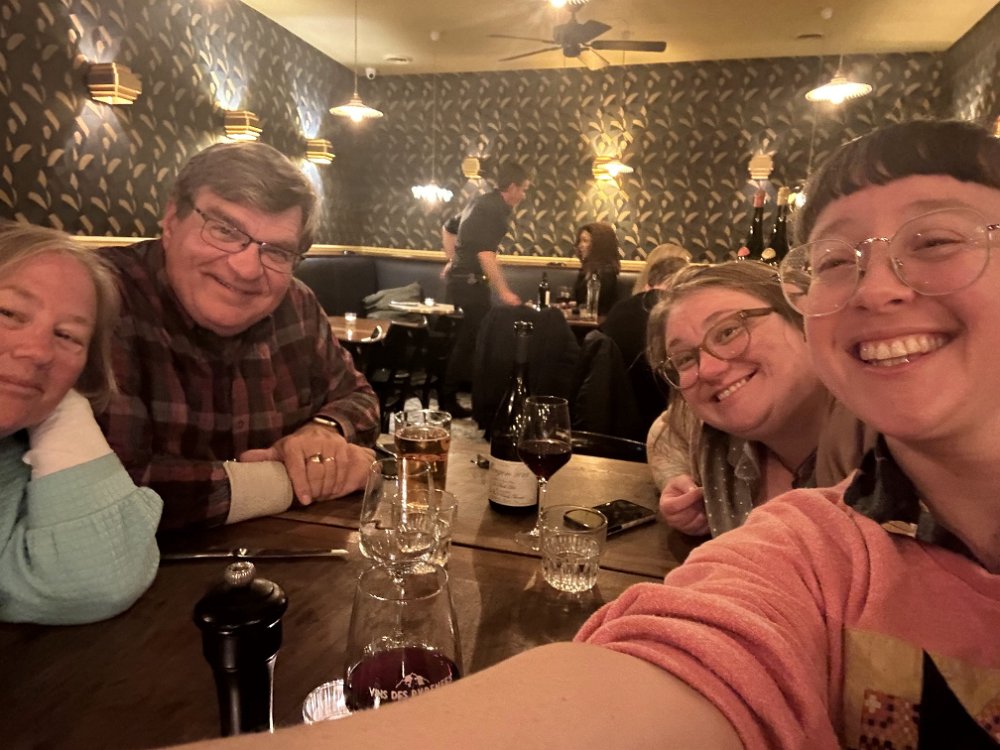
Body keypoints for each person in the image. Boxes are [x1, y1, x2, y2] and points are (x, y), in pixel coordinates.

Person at [178, 118, 1000, 750]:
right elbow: (673, 666)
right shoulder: (816, 543)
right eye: (837, 262)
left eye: (935, 241)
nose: (877, 289)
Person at [95, 142, 379, 531]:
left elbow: (359, 396)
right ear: (172, 220)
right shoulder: (102, 296)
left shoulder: (296, 303)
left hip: (290, 555)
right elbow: (109, 492)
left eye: (277, 251)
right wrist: (294, 480)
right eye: (225, 231)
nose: (246, 269)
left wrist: (323, 430)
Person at [0, 222, 161, 625]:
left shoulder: (16, 456)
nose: (39, 351)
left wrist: (59, 401)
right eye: (8, 313)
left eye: (68, 336)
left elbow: (103, 578)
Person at [644, 260, 868, 537]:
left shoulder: (886, 444)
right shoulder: (717, 440)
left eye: (728, 331)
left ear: (804, 318)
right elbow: (664, 431)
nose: (708, 369)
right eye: (685, 359)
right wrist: (676, 481)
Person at [440, 162, 531, 418]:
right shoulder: (494, 210)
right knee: (473, 342)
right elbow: (486, 254)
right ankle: (458, 400)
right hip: (471, 285)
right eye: (523, 189)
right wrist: (504, 292)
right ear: (511, 187)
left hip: (461, 283)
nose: (524, 195)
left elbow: (448, 228)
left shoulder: (479, 202)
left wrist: (453, 261)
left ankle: (452, 397)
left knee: (465, 341)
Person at [600, 243, 692, 434]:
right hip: (659, 425)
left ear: (648, 283)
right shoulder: (676, 318)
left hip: (610, 420)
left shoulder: (618, 310)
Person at [572, 221, 621, 316]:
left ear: (599, 245)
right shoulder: (586, 270)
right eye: (580, 241)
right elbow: (581, 303)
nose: (580, 245)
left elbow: (598, 309)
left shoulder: (606, 274)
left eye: (585, 241)